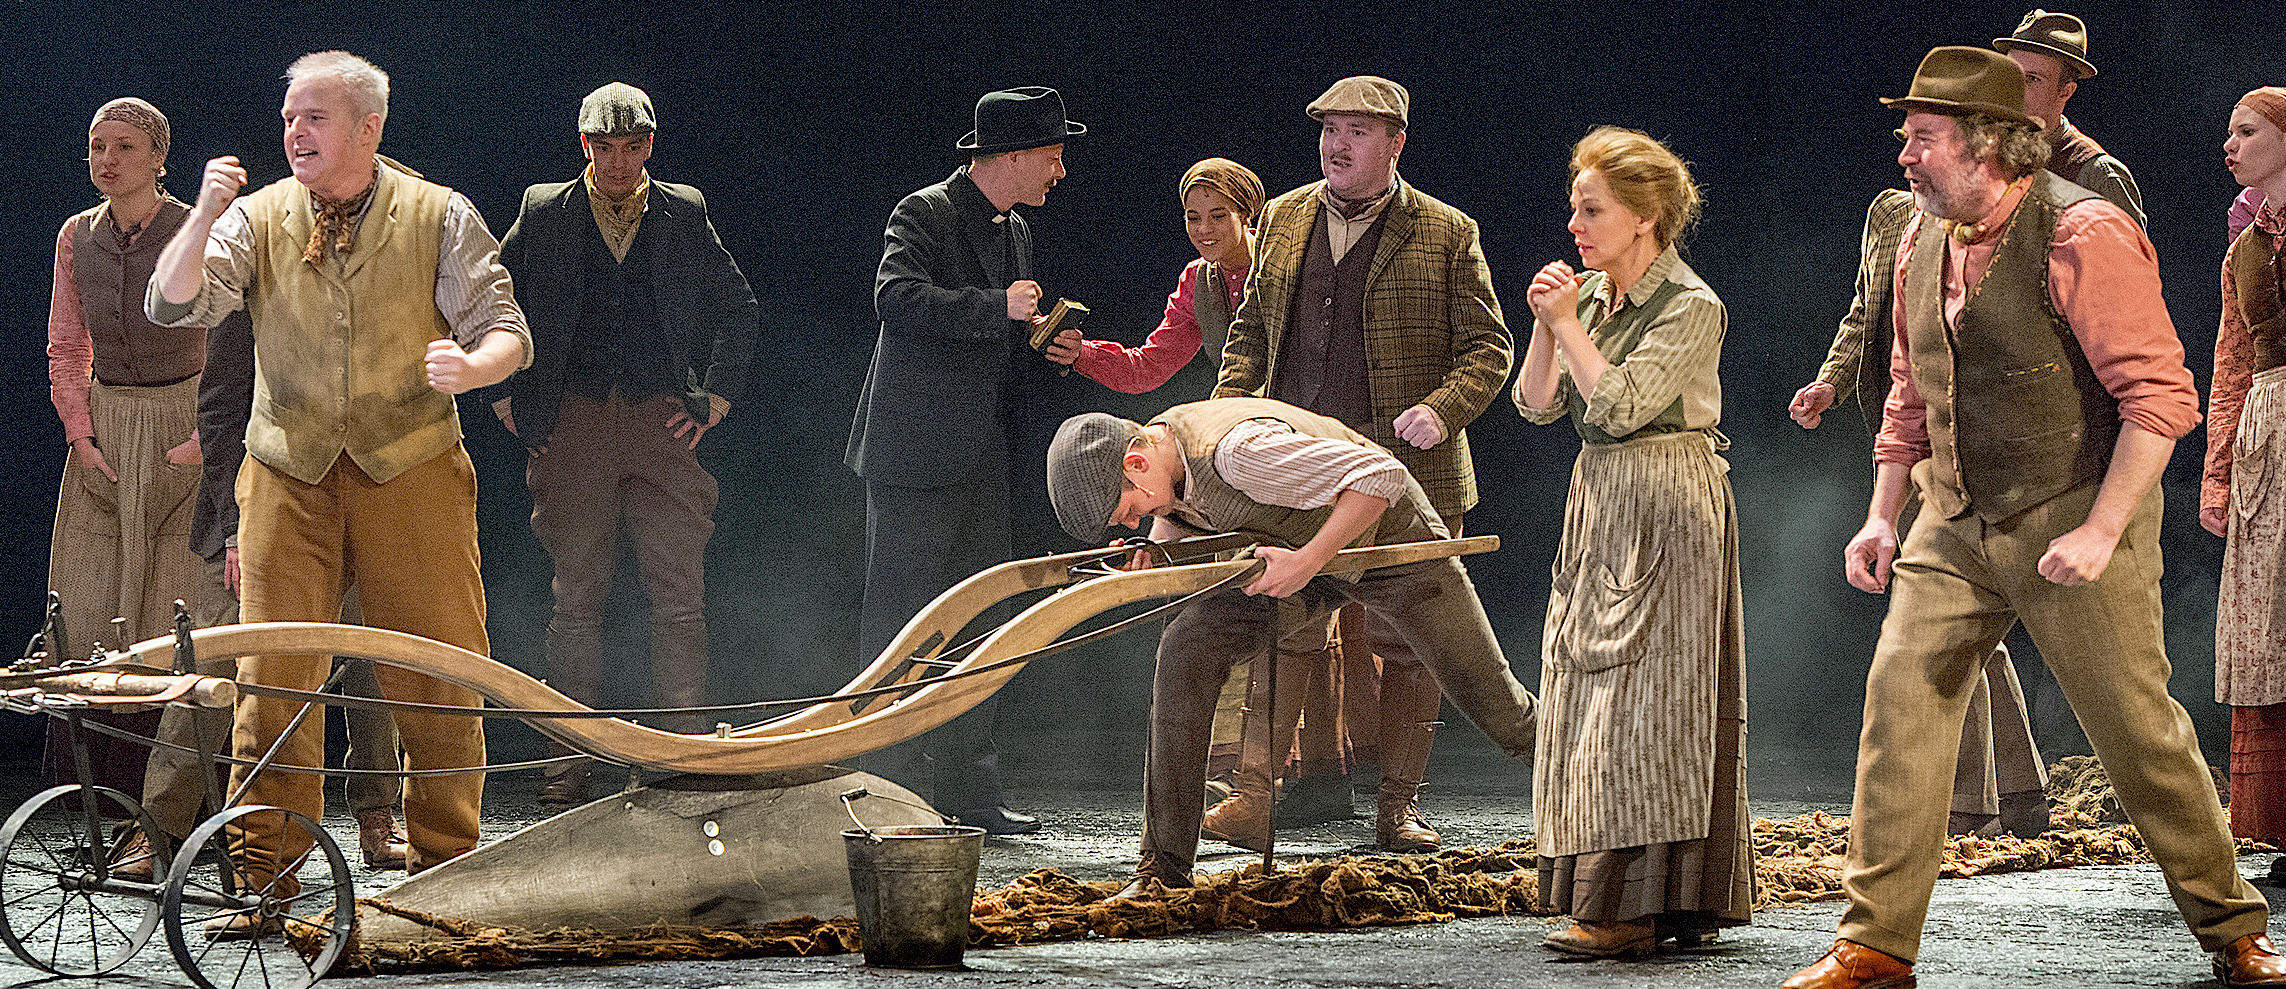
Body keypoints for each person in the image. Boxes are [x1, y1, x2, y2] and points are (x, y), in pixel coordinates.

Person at [1783, 48, 2283, 989]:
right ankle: (1876, 943)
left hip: (2074, 509)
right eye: (1907, 138)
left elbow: (2162, 402)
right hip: (1955, 515)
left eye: (1923, 139)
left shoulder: (2081, 230)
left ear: (1987, 145)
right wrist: (1883, 513)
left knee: (2136, 729)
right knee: (1901, 703)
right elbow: (1908, 389)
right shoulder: (1916, 239)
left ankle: (2232, 929)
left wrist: (2100, 531)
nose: (1905, 157)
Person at [148, 50, 530, 928]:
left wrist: (472, 367)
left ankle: (448, 879)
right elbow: (172, 305)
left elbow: (507, 327)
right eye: (290, 117)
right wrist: (206, 207)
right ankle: (263, 881)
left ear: (369, 128)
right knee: (272, 677)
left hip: (413, 467)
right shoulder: (257, 216)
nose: (295, 132)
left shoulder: (440, 214)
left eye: (315, 117)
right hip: (289, 469)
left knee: (437, 673)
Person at [1041, 397, 1536, 894]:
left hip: (1389, 546)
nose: (1130, 523)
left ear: (1137, 463)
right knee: (1187, 648)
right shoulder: (1165, 458)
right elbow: (1182, 514)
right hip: (1299, 559)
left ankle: (1587, 804)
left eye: (1128, 511)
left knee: (1497, 707)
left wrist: (1307, 562)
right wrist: (1154, 550)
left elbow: (1381, 477)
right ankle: (1164, 869)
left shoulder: (1238, 452)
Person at [1212, 76, 1513, 853]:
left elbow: (1489, 348)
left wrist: (1442, 408)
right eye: (1328, 130)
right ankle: (1251, 798)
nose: (1336, 145)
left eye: (1355, 131)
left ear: (1395, 144)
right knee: (1286, 630)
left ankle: (1397, 805)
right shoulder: (1281, 216)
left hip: (1406, 475)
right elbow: (1248, 337)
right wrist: (1228, 419)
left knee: (1406, 642)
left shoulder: (1447, 231)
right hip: (1299, 474)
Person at [1512, 125, 1751, 956]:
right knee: (1586, 696)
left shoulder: (1691, 306)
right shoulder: (1591, 296)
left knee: (1651, 710)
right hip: (1603, 500)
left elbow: (1618, 406)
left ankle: (1645, 905)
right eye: (1574, 208)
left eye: (1592, 210)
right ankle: (1611, 892)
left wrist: (1568, 324)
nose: (1575, 226)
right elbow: (1538, 403)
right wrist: (1549, 323)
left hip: (1667, 498)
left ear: (1644, 216)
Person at [492, 82, 758, 805]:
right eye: (603, 147)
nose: (617, 161)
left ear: (650, 145)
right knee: (577, 598)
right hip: (573, 422)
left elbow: (739, 307)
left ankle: (683, 758)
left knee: (679, 595)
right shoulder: (544, 211)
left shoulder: (682, 210)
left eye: (631, 146)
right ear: (584, 147)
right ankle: (564, 769)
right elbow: (488, 295)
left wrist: (715, 398)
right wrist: (506, 394)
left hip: (658, 420)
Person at [845, 87, 1084, 834]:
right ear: (1012, 156)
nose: (1060, 171)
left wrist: (1048, 342)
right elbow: (896, 299)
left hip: (979, 455)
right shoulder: (924, 212)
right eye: (1052, 156)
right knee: (902, 625)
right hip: (915, 454)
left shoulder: (1013, 230)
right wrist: (997, 308)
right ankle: (880, 789)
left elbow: (999, 335)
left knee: (982, 615)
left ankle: (970, 794)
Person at [1786, 187, 2052, 841]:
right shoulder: (1887, 211)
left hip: (1978, 437)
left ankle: (1967, 803)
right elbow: (1864, 314)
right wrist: (1831, 380)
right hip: (1906, 435)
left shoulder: (2005, 215)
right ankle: (2020, 792)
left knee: (1947, 612)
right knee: (1964, 610)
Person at [43, 96, 207, 860]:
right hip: (109, 436)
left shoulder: (192, 230)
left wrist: (207, 435)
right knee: (95, 606)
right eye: (96, 145)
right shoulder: (77, 235)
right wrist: (80, 431)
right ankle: (107, 811)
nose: (108, 159)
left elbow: (241, 336)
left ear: (158, 157)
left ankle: (176, 817)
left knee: (173, 617)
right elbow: (66, 343)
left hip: (185, 428)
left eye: (125, 146)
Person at [2202, 86, 2286, 880]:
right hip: (2268, 428)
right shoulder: (2243, 250)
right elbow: (2229, 366)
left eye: (2247, 131)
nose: (2230, 143)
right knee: (2272, 629)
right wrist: (2217, 476)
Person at [1052, 158, 1262, 396]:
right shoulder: (1198, 280)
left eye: (1218, 216)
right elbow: (1146, 369)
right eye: (1193, 218)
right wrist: (1080, 352)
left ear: (1245, 214)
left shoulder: (1283, 259)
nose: (1204, 229)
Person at [1992, 8, 2145, 227]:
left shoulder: (2097, 176)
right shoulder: (1986, 148)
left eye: (2033, 79)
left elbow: (2128, 259)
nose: (2015, 87)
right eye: (2012, 73)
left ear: (2066, 91)